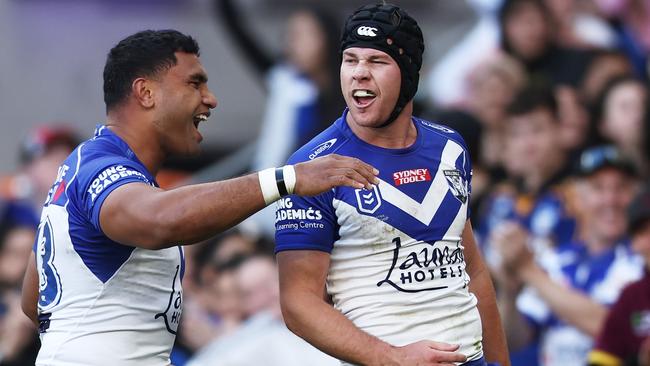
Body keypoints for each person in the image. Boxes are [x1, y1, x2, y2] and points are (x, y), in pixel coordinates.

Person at [19, 29, 379, 366]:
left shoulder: (85, 170)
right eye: (194, 83)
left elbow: (34, 299)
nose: (211, 99)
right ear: (146, 93)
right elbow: (158, 220)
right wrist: (288, 178)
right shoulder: (99, 166)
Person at [274, 4, 509, 366]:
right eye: (350, 60)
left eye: (377, 61)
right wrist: (393, 358)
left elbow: (473, 272)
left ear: (410, 74)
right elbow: (297, 305)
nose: (359, 74)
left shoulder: (450, 147)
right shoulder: (312, 167)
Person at [493, 145, 644, 366]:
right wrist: (509, 290)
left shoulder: (642, 261)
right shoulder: (555, 260)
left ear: (635, 196)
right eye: (598, 189)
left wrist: (529, 272)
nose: (610, 199)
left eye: (621, 188)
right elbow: (514, 340)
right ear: (577, 198)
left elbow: (612, 329)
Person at [588, 184, 650, 366]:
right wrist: (639, 361)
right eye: (642, 231)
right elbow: (601, 361)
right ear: (634, 244)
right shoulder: (632, 296)